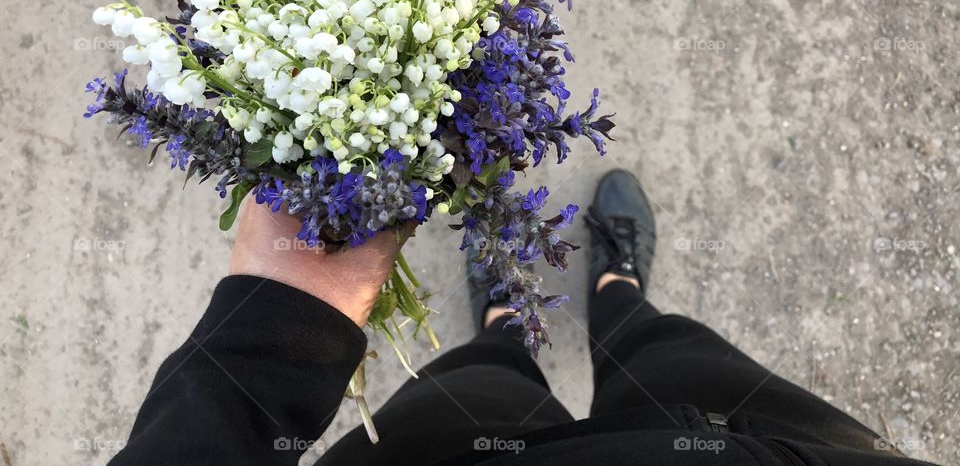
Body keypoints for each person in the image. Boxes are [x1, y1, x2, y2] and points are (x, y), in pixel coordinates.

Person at [108, 169, 939, 465]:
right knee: (671, 356)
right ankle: (617, 297)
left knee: (476, 383)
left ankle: (504, 322)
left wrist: (280, 318)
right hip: (760, 450)